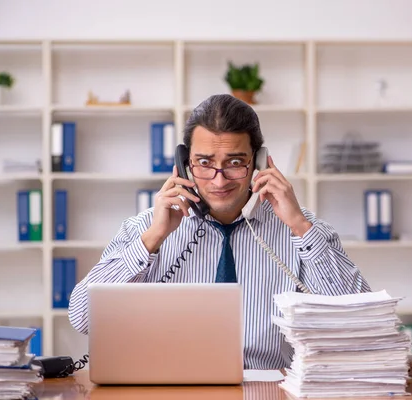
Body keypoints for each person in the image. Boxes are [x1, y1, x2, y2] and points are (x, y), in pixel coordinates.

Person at [68, 93, 372, 369]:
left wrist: (300, 227)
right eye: (204, 163)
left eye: (235, 162)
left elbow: (362, 324)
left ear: (259, 163)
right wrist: (152, 240)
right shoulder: (145, 229)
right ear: (185, 165)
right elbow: (82, 318)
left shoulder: (304, 230)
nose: (219, 180)